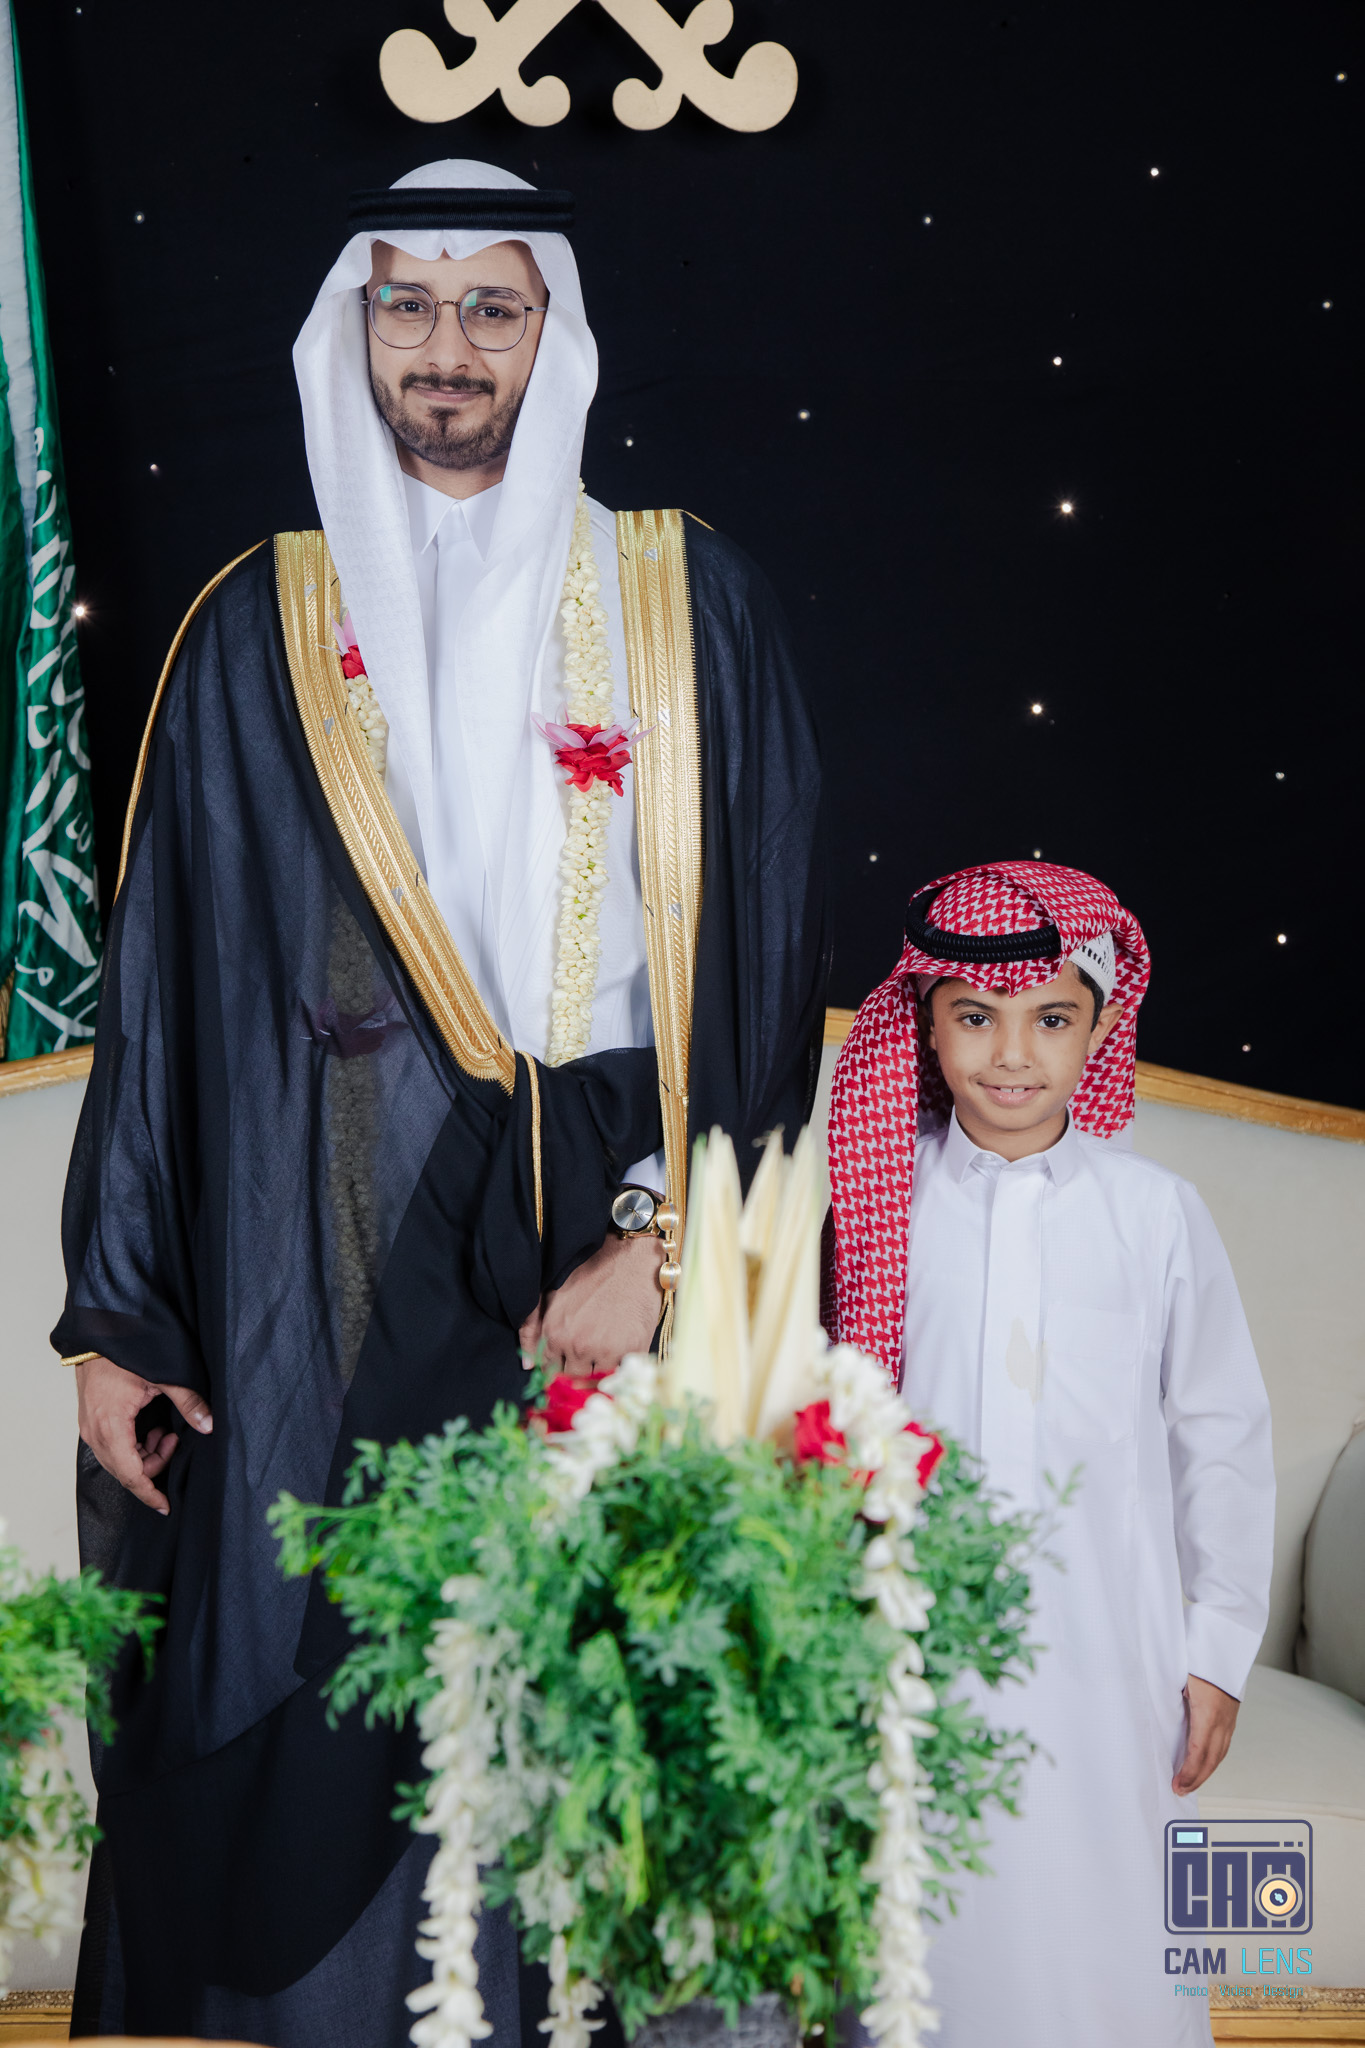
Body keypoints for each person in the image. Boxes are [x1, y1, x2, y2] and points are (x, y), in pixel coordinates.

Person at [52, 161, 828, 2044]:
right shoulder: (258, 623)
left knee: (608, 1682)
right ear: (354, 326)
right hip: (330, 1232)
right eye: (408, 302)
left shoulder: (686, 599)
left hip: (616, 1225)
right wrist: (123, 1313)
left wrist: (668, 1249)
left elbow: (764, 964)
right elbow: (166, 990)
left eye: (493, 305)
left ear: (553, 331)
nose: (447, 346)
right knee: (338, 1654)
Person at [825, 860, 1274, 2048]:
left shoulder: (1155, 1210)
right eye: (976, 1016)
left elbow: (1222, 1429)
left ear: (1102, 1028)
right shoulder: (876, 1205)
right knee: (929, 1927)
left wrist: (1220, 1648)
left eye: (1052, 1018)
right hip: (915, 1630)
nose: (1012, 1053)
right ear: (927, 1026)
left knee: (1113, 1936)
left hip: (1111, 1634)